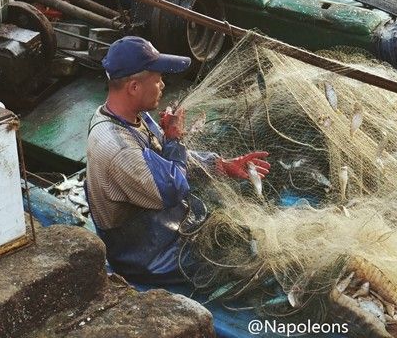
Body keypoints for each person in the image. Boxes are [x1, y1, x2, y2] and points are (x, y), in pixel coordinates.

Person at [86, 36, 270, 284]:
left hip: (160, 228)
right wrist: (174, 140)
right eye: (158, 79)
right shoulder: (117, 147)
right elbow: (170, 190)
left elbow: (164, 160)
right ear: (133, 87)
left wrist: (221, 165)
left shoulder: (132, 117)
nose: (163, 84)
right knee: (243, 261)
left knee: (239, 233)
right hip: (146, 254)